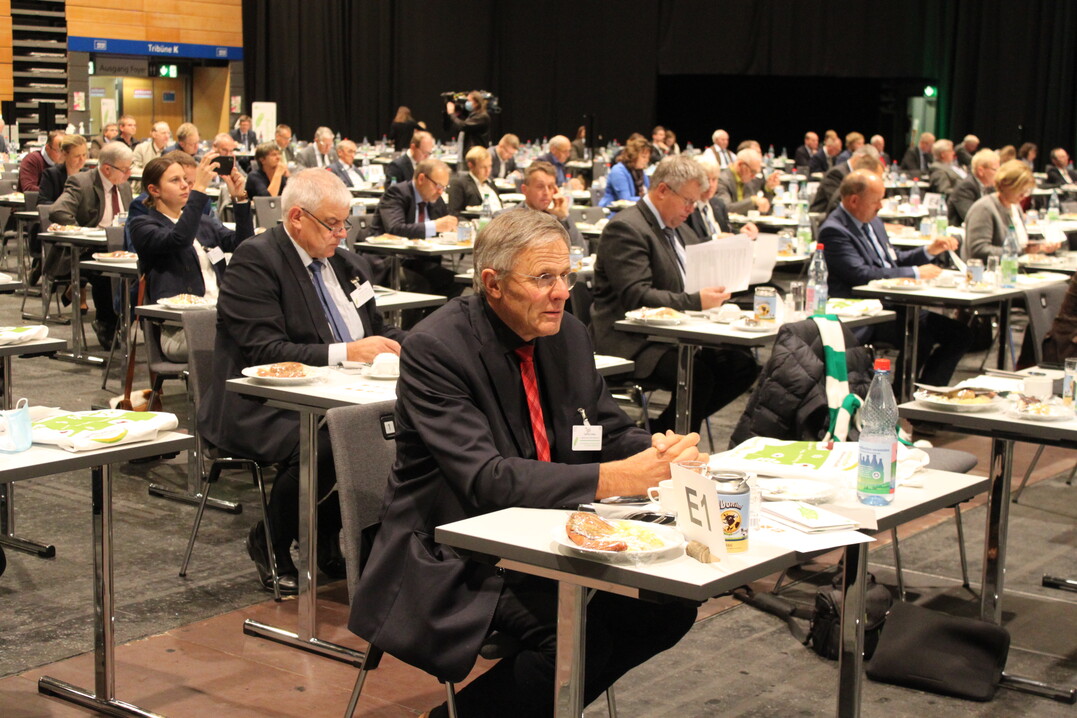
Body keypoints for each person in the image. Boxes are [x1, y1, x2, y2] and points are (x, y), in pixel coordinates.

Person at [349, 208, 701, 717]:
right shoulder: (436, 349)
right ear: (492, 283)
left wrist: (657, 453)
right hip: (452, 548)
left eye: (566, 275)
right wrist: (617, 478)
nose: (562, 291)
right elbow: (486, 478)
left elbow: (608, 430)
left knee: (667, 607)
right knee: (573, 638)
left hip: (552, 530)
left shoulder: (570, 335)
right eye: (544, 278)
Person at [202, 168, 407, 594]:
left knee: (402, 427)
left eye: (345, 222)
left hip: (345, 395)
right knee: (334, 441)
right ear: (296, 217)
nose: (342, 233)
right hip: (263, 403)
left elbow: (377, 331)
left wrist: (427, 349)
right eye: (332, 223)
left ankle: (331, 536)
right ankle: (270, 541)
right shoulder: (256, 261)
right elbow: (264, 351)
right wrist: (348, 353)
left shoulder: (349, 265)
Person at [591, 155, 760, 434]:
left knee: (741, 365)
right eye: (688, 201)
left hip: (675, 334)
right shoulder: (627, 228)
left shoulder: (680, 229)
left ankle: (660, 431)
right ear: (662, 191)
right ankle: (669, 441)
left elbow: (695, 278)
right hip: (629, 339)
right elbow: (637, 296)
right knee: (697, 376)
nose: (692, 209)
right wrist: (696, 301)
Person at [820, 171, 970, 386]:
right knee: (921, 336)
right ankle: (903, 397)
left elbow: (893, 260)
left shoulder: (873, 221)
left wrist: (929, 251)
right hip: (867, 311)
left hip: (897, 305)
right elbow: (861, 275)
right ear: (854, 200)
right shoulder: (835, 230)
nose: (881, 206)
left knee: (960, 334)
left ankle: (925, 392)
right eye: (876, 200)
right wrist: (915, 273)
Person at [127, 152, 252, 360]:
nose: (185, 185)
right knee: (248, 340)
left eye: (186, 180)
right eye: (175, 180)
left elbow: (245, 244)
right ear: (154, 190)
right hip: (180, 329)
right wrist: (200, 189)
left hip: (222, 317)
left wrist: (239, 199)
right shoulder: (143, 226)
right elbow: (179, 239)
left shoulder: (203, 222)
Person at [49, 141, 134, 348]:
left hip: (120, 248)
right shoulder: (80, 183)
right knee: (107, 274)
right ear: (107, 168)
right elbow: (57, 211)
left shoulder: (124, 187)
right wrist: (87, 232)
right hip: (87, 250)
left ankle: (132, 321)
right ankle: (106, 322)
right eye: (125, 169)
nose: (129, 174)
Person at [370, 158, 460, 299]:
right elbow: (395, 228)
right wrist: (435, 226)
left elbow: (446, 223)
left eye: (444, 187)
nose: (440, 191)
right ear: (421, 178)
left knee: (456, 281)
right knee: (419, 284)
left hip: (421, 260)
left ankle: (431, 320)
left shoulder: (436, 199)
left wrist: (453, 228)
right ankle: (413, 322)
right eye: (437, 186)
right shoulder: (396, 193)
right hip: (391, 261)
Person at [965, 160, 1061, 261]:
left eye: (1026, 191)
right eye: (1020, 190)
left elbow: (1019, 243)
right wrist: (1022, 251)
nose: (1023, 195)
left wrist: (1038, 248)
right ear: (1006, 185)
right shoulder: (984, 208)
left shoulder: (1015, 206)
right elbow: (979, 250)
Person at [507, 160, 585, 248]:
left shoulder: (558, 219)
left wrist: (564, 217)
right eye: (540, 187)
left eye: (551, 187)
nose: (546, 192)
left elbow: (581, 251)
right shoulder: (506, 219)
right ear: (524, 190)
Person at [685, 158, 758, 240]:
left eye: (714, 179)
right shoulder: (688, 209)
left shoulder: (718, 204)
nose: (710, 185)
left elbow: (726, 232)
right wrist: (715, 239)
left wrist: (743, 233)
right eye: (706, 179)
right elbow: (688, 242)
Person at [810, 146, 882, 216]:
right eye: (870, 163)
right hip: (821, 217)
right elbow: (840, 204)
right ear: (860, 159)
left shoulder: (853, 175)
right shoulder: (836, 173)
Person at [717, 148, 780, 215]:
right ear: (740, 165)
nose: (754, 176)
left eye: (756, 173)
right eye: (752, 171)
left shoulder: (751, 179)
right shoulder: (722, 180)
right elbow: (725, 208)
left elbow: (763, 210)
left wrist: (768, 189)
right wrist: (753, 201)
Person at [948, 148, 999, 226]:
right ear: (981, 171)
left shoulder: (990, 188)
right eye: (996, 169)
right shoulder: (965, 187)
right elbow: (972, 217)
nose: (998, 174)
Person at [447, 145, 501, 217]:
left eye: (489, 166)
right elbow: (454, 214)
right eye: (483, 167)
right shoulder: (459, 183)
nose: (488, 171)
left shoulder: (490, 182)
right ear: (471, 166)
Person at [598, 136, 650, 207]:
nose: (647, 160)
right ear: (633, 155)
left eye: (648, 157)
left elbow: (649, 193)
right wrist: (649, 199)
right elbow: (625, 199)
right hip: (612, 212)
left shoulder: (640, 172)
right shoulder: (618, 171)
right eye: (644, 157)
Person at [39, 134, 87, 205]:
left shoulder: (89, 175)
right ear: (65, 154)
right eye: (77, 156)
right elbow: (43, 202)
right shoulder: (51, 175)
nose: (82, 160)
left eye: (84, 155)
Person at [443, 90, 490, 155]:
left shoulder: (481, 116)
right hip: (469, 152)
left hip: (476, 154)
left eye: (469, 101)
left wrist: (451, 113)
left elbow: (463, 126)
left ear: (476, 103)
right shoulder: (471, 115)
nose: (466, 103)